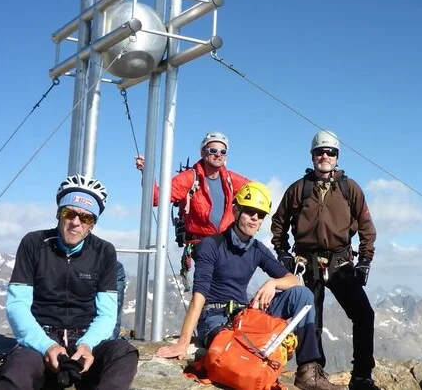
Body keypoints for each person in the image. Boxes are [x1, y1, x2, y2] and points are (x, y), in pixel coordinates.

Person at [154, 182, 345, 390]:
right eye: (250, 212)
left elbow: (291, 279)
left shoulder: (256, 249)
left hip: (244, 314)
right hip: (214, 317)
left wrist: (273, 283)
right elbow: (199, 295)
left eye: (260, 215)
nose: (255, 218)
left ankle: (307, 370)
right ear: (236, 211)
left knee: (303, 295)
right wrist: (183, 342)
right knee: (236, 352)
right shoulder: (212, 245)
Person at [0, 174, 139, 390]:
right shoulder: (33, 243)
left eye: (86, 218)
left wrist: (87, 344)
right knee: (17, 372)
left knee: (124, 353)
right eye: (69, 213)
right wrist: (46, 346)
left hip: (84, 340)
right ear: (58, 214)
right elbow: (17, 305)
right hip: (42, 339)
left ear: (92, 224)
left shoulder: (104, 252)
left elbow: (107, 313)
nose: (76, 223)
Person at [270, 130, 380, 390]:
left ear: (337, 157)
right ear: (312, 155)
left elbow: (367, 227)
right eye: (320, 151)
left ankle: (362, 375)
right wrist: (283, 252)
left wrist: (365, 259)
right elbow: (279, 223)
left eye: (330, 152)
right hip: (307, 262)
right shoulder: (299, 189)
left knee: (364, 314)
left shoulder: (349, 188)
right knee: (312, 319)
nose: (325, 156)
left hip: (340, 262)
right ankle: (311, 373)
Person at [134, 131, 249, 288]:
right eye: (213, 150)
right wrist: (147, 173)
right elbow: (156, 198)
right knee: (214, 286)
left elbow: (254, 191)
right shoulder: (190, 178)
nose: (218, 155)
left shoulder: (229, 178)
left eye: (222, 151)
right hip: (201, 243)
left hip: (225, 242)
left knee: (229, 285)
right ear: (203, 152)